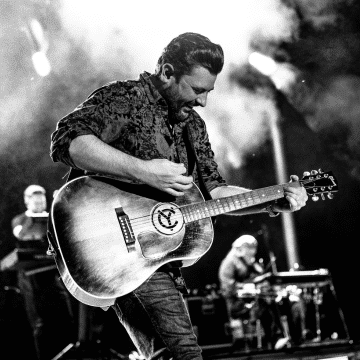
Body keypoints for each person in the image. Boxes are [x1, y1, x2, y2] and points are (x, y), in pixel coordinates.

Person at [49, 32, 308, 360]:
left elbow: (216, 192)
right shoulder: (126, 98)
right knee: (182, 354)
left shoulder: (194, 127)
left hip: (154, 260)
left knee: (166, 354)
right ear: (168, 73)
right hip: (109, 239)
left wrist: (272, 199)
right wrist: (142, 171)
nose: (203, 102)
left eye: (208, 92)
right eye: (197, 90)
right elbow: (66, 140)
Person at [11, 184, 75, 360]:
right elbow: (21, 234)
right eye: (35, 199)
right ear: (26, 201)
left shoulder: (53, 217)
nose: (40, 202)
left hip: (53, 272)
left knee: (65, 318)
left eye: (42, 199)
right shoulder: (20, 220)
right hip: (31, 277)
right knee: (40, 323)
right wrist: (34, 217)